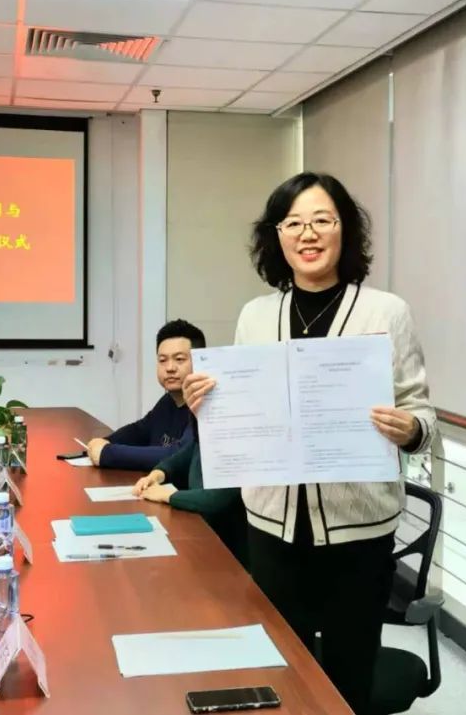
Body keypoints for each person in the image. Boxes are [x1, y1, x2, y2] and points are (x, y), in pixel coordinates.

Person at [183, 172, 436, 714]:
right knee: (278, 672)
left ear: (346, 230)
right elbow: (245, 410)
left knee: (348, 676)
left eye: (323, 220)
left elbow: (421, 410)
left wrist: (411, 429)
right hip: (271, 528)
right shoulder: (256, 315)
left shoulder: (386, 312)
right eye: (293, 222)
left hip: (359, 533)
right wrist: (207, 404)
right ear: (276, 236)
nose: (308, 233)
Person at [84, 319, 205, 470]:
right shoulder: (168, 400)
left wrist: (107, 453)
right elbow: (140, 430)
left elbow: (177, 456)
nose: (170, 368)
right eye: (162, 360)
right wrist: (105, 442)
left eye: (179, 359)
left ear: (201, 361)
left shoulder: (204, 405)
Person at [131, 432, 247, 566]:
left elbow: (217, 498)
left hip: (230, 553)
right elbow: (178, 460)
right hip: (200, 537)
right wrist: (155, 476)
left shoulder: (239, 443)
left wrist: (169, 496)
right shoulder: (203, 438)